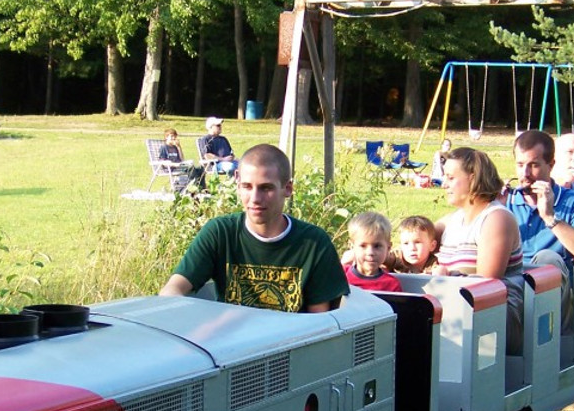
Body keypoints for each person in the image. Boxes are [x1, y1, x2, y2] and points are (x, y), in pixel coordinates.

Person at [160, 144, 348, 312]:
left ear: (288, 188)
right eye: (247, 186)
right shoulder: (220, 232)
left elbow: (322, 322)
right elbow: (172, 290)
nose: (255, 198)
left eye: (266, 188)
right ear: (237, 183)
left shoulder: (314, 244)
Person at [505, 131, 574, 331]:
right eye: (520, 165)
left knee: (547, 260)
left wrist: (550, 218)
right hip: (513, 293)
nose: (525, 174)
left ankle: (544, 347)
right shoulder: (504, 203)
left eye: (533, 165)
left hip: (558, 302)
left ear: (551, 165)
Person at [430, 147, 524, 350]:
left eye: (450, 177)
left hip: (493, 311)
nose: (443, 184)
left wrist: (446, 275)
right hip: (455, 305)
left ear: (473, 179)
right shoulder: (452, 221)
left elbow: (486, 283)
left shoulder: (497, 219)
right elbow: (418, 242)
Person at [344, 212, 402, 292]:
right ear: (352, 246)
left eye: (377, 246)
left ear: (388, 248)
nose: (370, 252)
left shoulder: (391, 285)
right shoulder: (341, 276)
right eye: (363, 246)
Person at [156, 128, 206, 192]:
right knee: (190, 168)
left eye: (174, 136)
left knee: (200, 169)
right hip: (170, 168)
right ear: (166, 137)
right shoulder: (164, 147)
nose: (173, 138)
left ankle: (202, 188)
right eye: (171, 136)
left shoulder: (175, 147)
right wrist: (174, 164)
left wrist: (179, 147)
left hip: (179, 167)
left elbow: (182, 159)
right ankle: (194, 188)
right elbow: (162, 161)